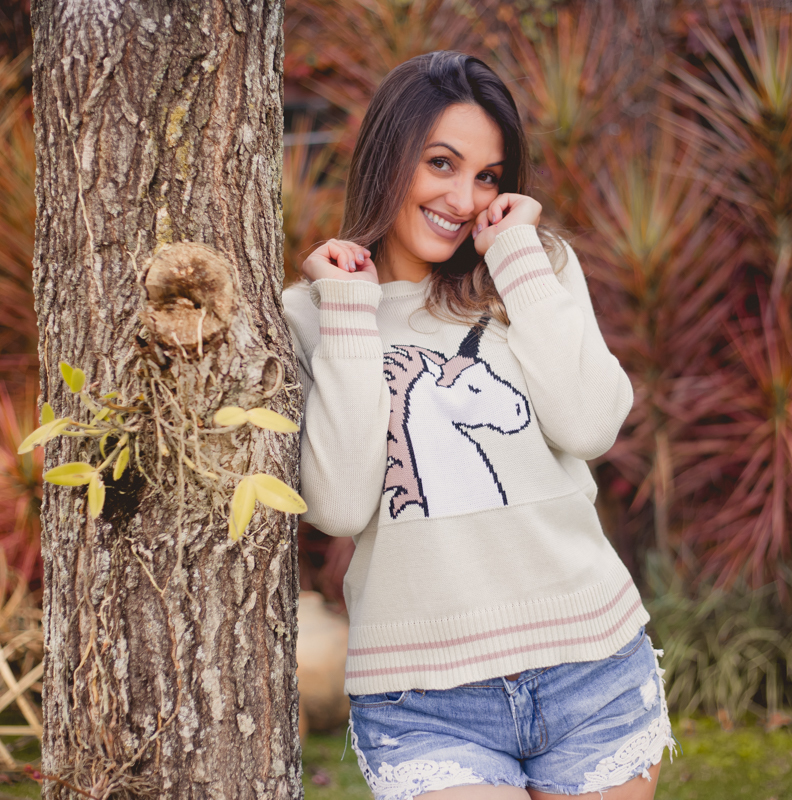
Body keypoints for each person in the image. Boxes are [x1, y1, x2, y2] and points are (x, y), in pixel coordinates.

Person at [282, 51, 676, 800]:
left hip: (589, 662)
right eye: (441, 163)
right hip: (424, 698)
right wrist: (351, 311)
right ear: (388, 156)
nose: (465, 199)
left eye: (488, 175)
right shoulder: (316, 310)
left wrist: (516, 254)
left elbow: (591, 425)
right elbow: (339, 506)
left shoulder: (532, 266)